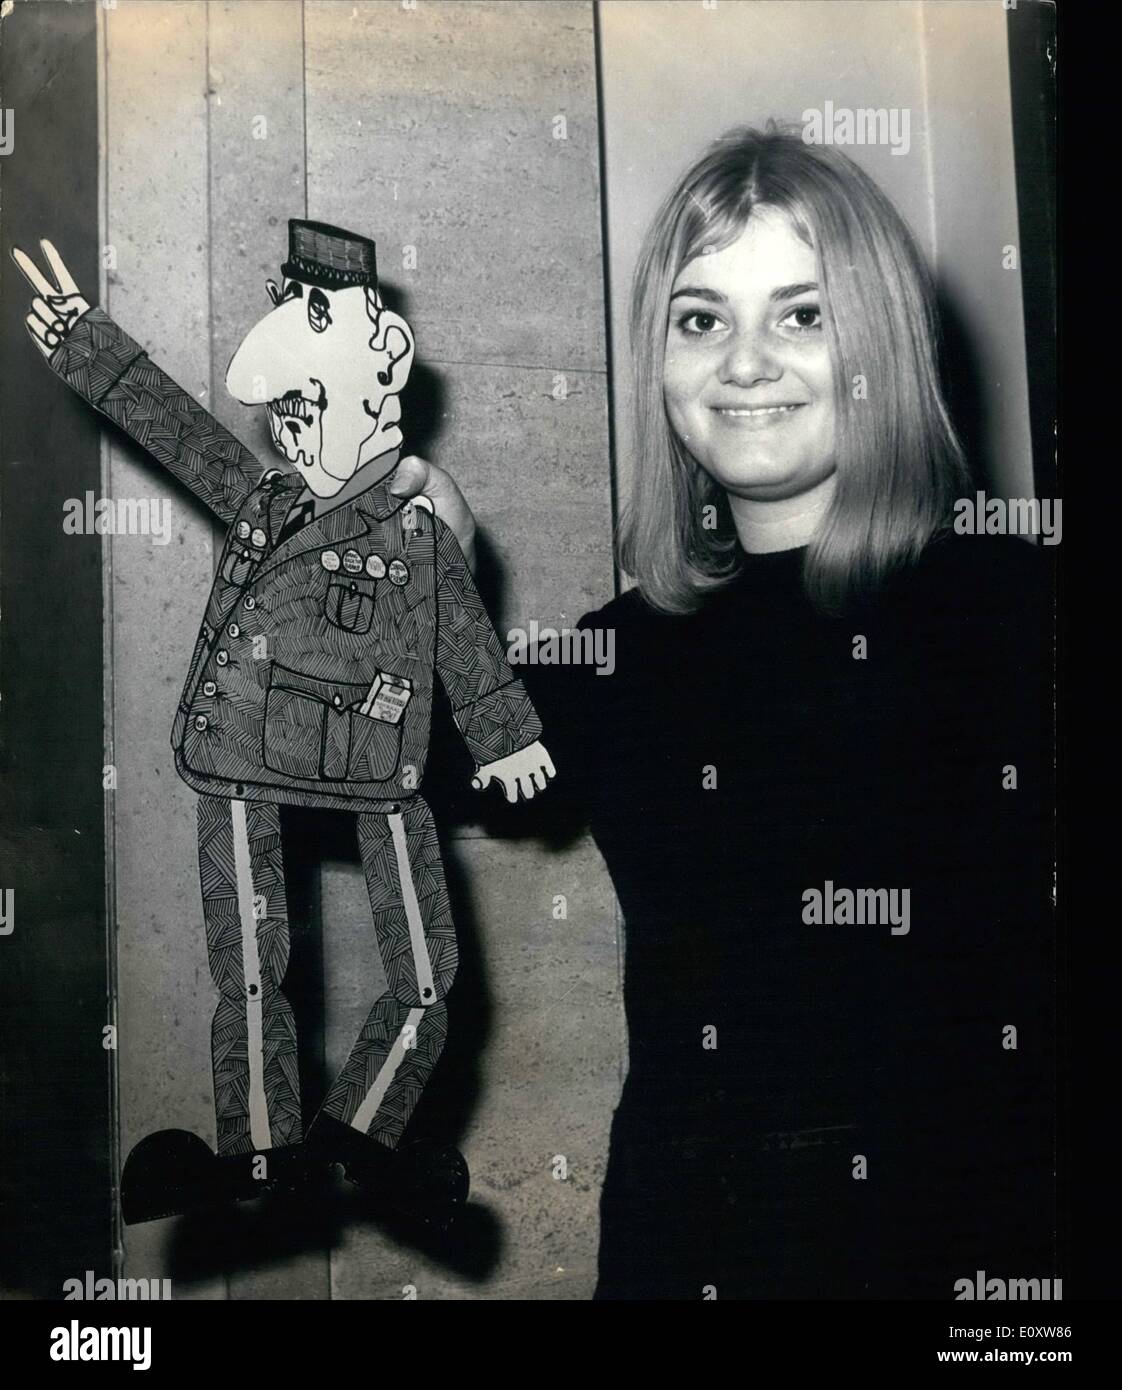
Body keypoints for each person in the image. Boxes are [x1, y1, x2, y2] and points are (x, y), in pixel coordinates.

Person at [391, 125, 1057, 1298]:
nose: (745, 361)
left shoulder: (1016, 602)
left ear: (881, 344)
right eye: (702, 319)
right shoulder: (624, 656)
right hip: (686, 1252)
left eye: (802, 314)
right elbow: (387, 757)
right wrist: (423, 578)